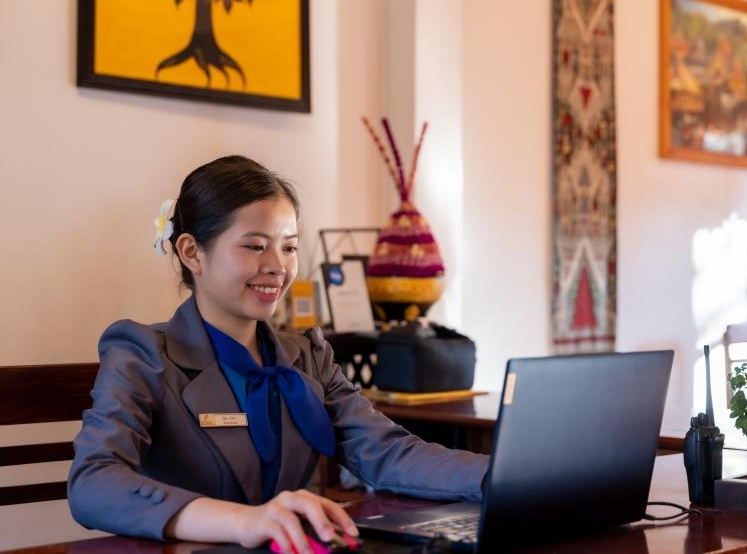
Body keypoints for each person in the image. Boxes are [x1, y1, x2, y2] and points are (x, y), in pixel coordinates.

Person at [67, 155, 489, 553]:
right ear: (191, 252)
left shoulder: (306, 354)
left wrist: (504, 477)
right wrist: (244, 522)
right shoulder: (142, 354)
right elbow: (93, 482)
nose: (278, 266)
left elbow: (388, 452)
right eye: (254, 246)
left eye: (288, 247)